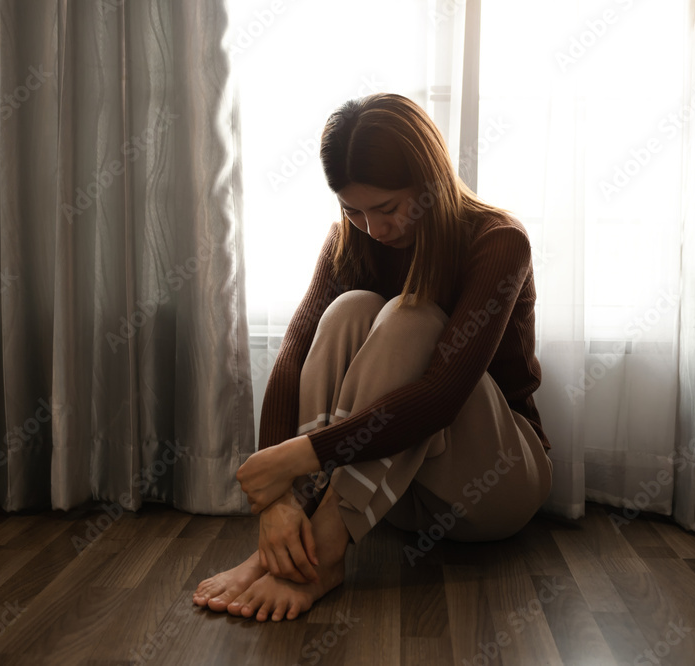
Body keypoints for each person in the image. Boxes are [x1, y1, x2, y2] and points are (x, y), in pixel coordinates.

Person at [193, 92, 553, 622]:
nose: (373, 228)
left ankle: (324, 552)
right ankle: (296, 544)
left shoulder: (498, 242)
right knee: (350, 309)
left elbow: (440, 398)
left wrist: (297, 455)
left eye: (386, 208)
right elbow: (294, 355)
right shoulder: (352, 242)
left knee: (412, 318)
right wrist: (278, 502)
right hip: (395, 498)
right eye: (352, 210)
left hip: (494, 485)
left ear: (429, 182)